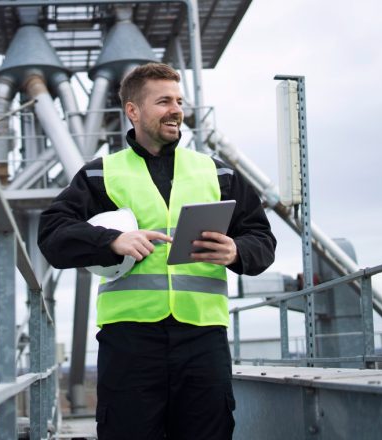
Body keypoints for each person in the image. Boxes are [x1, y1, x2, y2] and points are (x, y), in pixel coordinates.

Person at [37, 63, 276, 440]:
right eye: (163, 101)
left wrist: (236, 250)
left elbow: (263, 240)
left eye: (179, 101)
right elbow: (52, 235)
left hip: (202, 339)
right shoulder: (101, 174)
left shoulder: (217, 173)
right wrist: (110, 242)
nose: (176, 110)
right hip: (129, 342)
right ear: (133, 111)